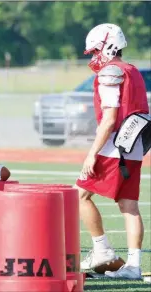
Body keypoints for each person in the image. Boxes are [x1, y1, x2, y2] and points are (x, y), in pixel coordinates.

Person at [76, 23, 149, 280]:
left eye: (96, 50)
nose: (95, 56)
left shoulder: (110, 72)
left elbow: (109, 119)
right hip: (134, 147)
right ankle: (133, 265)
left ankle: (102, 250)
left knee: (80, 195)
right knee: (129, 206)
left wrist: (91, 153)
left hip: (114, 146)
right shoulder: (133, 71)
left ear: (108, 46)